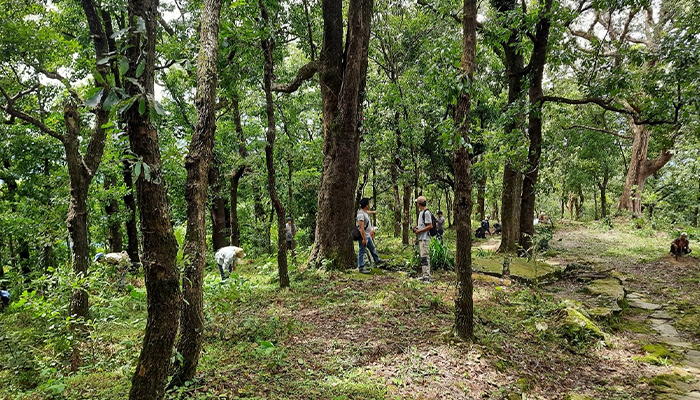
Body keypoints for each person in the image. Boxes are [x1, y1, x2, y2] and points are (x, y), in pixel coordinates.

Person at [357, 198, 384, 274]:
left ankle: (377, 260)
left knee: (372, 248)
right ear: (366, 205)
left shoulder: (364, 212)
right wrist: (364, 239)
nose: (370, 205)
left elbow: (368, 212)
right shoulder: (360, 214)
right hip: (363, 236)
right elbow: (361, 228)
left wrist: (373, 212)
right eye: (369, 204)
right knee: (361, 251)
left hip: (368, 235)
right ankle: (361, 267)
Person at [412, 196, 433, 283]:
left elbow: (430, 226)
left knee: (425, 257)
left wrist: (419, 231)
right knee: (422, 257)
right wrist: (417, 228)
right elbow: (424, 225)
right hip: (421, 238)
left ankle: (427, 277)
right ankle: (424, 275)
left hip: (425, 238)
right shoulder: (421, 213)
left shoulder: (426, 213)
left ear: (419, 204)